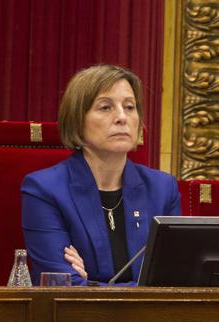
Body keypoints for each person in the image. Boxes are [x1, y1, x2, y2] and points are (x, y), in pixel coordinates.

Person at [21, 65, 181, 286]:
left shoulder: (163, 189)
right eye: (106, 107)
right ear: (77, 120)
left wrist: (93, 285)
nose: (122, 117)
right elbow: (60, 284)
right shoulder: (44, 190)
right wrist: (141, 286)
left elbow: (174, 281)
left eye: (130, 107)